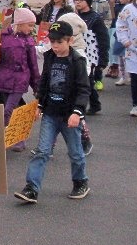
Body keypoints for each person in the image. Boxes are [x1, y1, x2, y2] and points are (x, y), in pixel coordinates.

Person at [15, 21, 90, 205]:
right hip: (50, 113)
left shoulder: (78, 61)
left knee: (75, 153)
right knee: (42, 151)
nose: (55, 46)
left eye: (59, 42)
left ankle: (80, 181)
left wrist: (77, 112)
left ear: (70, 41)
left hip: (68, 115)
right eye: (52, 42)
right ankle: (32, 188)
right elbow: (45, 81)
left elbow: (83, 89)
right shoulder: (50, 57)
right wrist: (39, 103)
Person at [0, 7, 39, 152]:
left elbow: (33, 65)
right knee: (17, 110)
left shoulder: (28, 41)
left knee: (8, 111)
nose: (31, 29)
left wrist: (37, 86)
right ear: (20, 23)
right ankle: (19, 138)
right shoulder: (1, 35)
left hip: (20, 80)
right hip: (3, 79)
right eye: (29, 25)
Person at [73, 0, 109, 116]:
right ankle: (94, 104)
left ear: (88, 2)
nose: (78, 3)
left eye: (81, 0)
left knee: (86, 78)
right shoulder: (75, 16)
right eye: (76, 0)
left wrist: (103, 58)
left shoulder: (95, 18)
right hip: (78, 50)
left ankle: (85, 106)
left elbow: (103, 38)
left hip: (91, 52)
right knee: (85, 79)